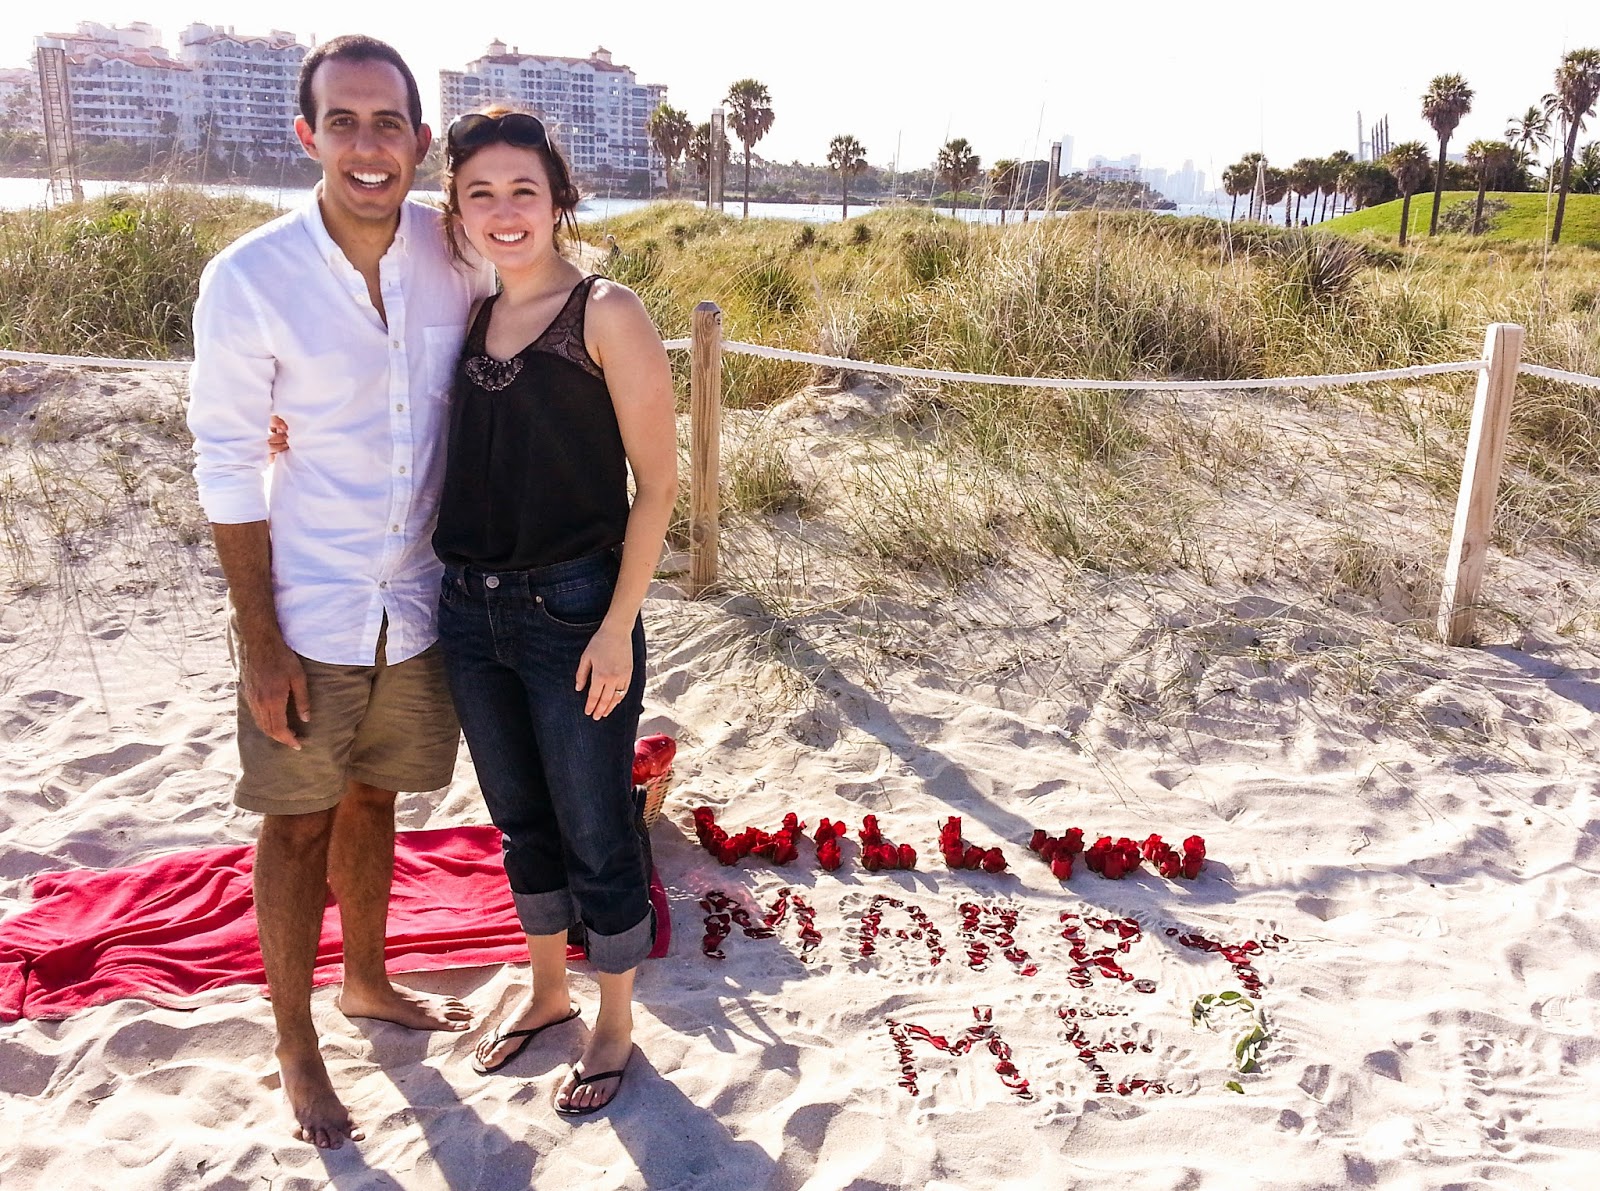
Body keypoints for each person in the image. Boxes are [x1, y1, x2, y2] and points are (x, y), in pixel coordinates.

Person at [187, 35, 495, 1149]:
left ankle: (367, 980)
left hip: (421, 600)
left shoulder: (456, 251)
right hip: (308, 606)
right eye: (345, 123)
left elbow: (547, 292)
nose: (369, 146)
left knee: (377, 802)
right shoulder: (250, 277)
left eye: (389, 124)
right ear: (307, 135)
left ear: (420, 139)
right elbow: (227, 462)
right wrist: (260, 640)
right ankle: (295, 1042)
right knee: (296, 823)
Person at [432, 107, 676, 1116]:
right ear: (456, 206)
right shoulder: (469, 312)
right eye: (480, 192)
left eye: (522, 190)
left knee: (596, 825)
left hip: (574, 611)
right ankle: (545, 993)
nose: (504, 211)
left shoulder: (605, 311)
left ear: (559, 199)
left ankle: (614, 1021)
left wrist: (616, 626)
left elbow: (658, 487)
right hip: (466, 610)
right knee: (518, 819)